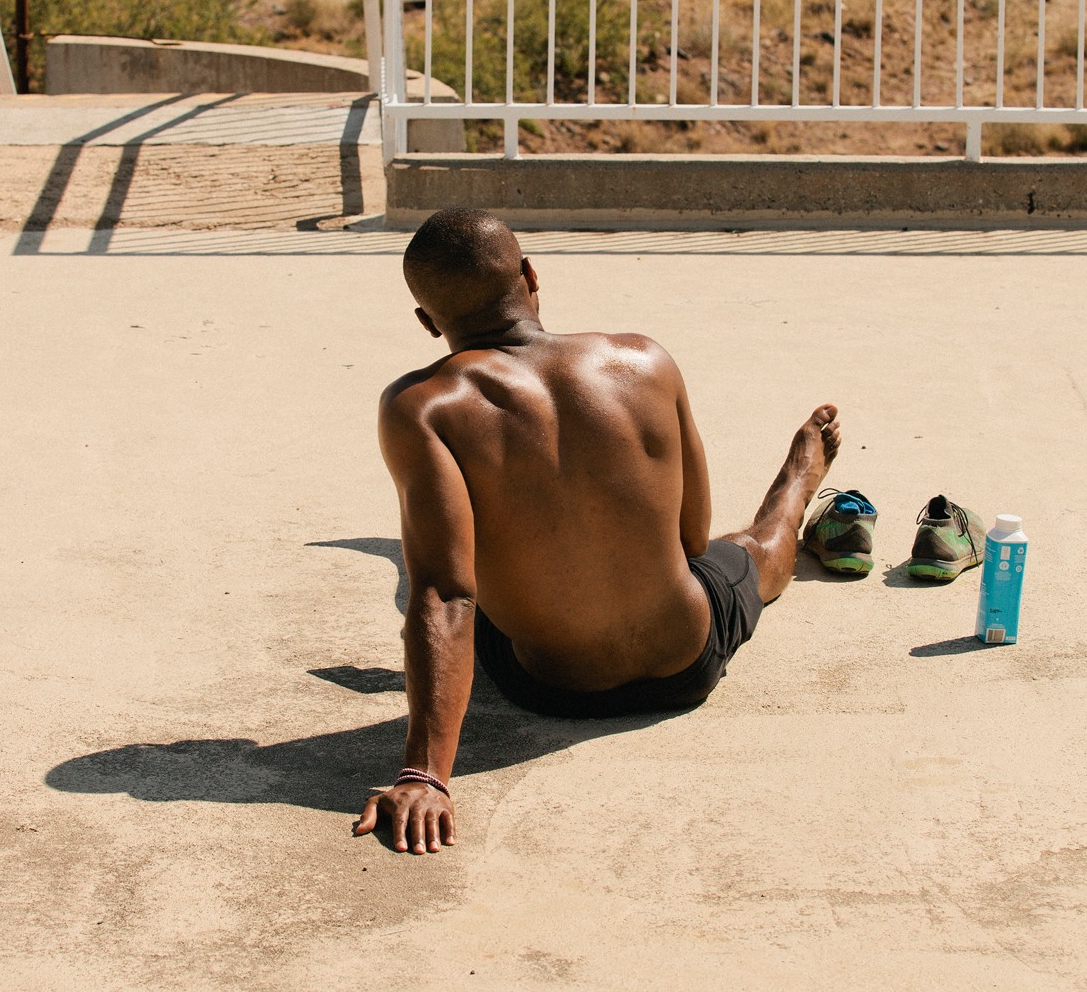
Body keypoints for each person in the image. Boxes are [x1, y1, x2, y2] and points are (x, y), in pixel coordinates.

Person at [354, 208, 842, 855]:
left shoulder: (425, 406)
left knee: (460, 573)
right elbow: (694, 540)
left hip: (552, 688)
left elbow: (446, 595)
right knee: (748, 549)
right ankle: (799, 480)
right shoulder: (645, 360)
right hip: (687, 659)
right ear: (531, 275)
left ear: (427, 322)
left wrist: (425, 776)